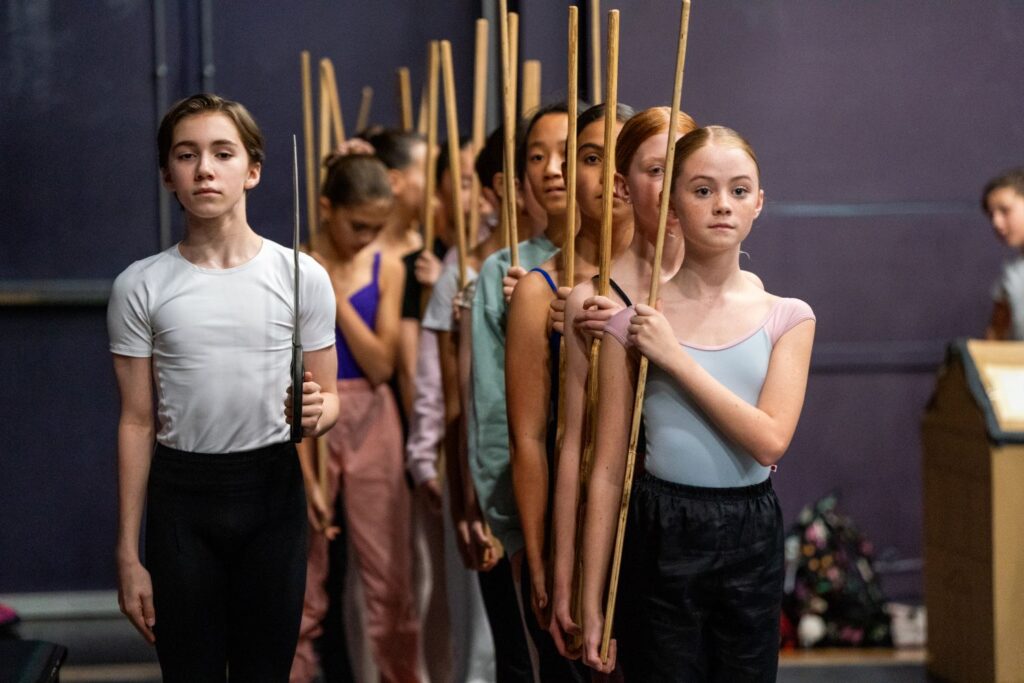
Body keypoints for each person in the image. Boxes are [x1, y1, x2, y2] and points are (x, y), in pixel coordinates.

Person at [108, 93, 339, 681]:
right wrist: (127, 553)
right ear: (168, 175)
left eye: (222, 153)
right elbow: (136, 419)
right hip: (181, 497)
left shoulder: (301, 274)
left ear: (253, 170)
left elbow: (329, 399)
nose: (204, 168)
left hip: (271, 494)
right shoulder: (141, 285)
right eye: (187, 155)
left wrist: (318, 411)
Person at [581, 126, 816, 681]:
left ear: (759, 202)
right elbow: (608, 469)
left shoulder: (788, 316)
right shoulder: (632, 323)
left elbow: (769, 440)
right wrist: (594, 600)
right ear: (671, 203)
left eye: (739, 191)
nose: (721, 206)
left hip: (750, 527)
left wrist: (675, 358)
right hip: (659, 524)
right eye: (702, 190)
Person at [547, 106, 696, 657]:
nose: (672, 187)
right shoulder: (593, 299)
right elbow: (575, 447)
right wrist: (570, 577)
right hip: (623, 532)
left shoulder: (728, 295)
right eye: (654, 170)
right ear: (622, 184)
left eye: (684, 172)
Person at [505, 103, 635, 665]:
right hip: (576, 511)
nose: (609, 174)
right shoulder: (540, 290)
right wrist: (538, 555)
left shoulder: (670, 281)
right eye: (590, 158)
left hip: (657, 519)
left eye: (626, 159)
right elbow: (530, 436)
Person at [293, 152, 420, 683]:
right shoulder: (290, 264)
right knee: (302, 577)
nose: (368, 237)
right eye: (357, 225)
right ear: (326, 207)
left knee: (389, 576)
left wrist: (334, 294)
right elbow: (285, 360)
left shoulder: (384, 266)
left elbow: (380, 364)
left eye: (377, 227)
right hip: (304, 411)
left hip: (372, 415)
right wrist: (304, 470)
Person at [981, 168, 1024, 340]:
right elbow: (995, 336)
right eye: (991, 215)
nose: (997, 223)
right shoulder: (1011, 276)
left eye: (1005, 211)